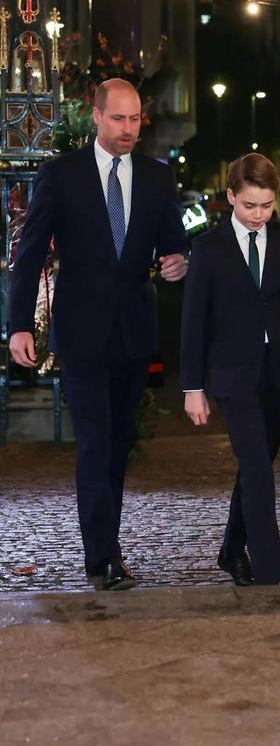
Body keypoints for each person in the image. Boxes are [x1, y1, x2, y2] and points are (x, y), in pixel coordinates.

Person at [9, 79, 187, 591]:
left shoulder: (157, 176)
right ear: (96, 116)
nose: (128, 129)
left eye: (135, 119)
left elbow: (174, 244)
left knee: (117, 443)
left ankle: (106, 549)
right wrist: (19, 325)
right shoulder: (61, 175)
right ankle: (104, 557)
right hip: (81, 332)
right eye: (118, 118)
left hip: (133, 331)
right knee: (93, 439)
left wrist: (179, 262)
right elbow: (30, 253)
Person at [180, 152, 280, 586]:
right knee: (259, 470)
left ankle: (231, 550)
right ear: (231, 196)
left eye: (266, 205)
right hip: (232, 375)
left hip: (279, 373)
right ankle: (270, 574)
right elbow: (193, 320)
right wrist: (192, 386)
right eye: (249, 205)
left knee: (255, 465)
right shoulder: (208, 247)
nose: (259, 214)